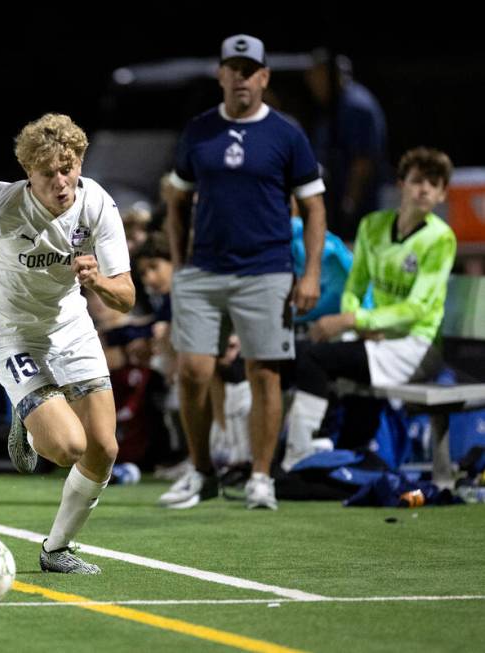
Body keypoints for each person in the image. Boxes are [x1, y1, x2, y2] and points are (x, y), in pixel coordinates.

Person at [0, 114, 134, 573]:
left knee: (105, 449)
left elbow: (127, 296)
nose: (61, 181)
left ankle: (56, 550)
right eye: (48, 172)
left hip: (70, 323)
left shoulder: (97, 205)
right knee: (68, 448)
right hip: (12, 331)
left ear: (80, 163)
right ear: (28, 173)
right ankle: (28, 418)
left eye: (68, 168)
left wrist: (98, 283)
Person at [161, 34, 326, 510]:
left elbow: (315, 207)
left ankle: (260, 477)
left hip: (267, 270)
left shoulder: (287, 134)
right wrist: (178, 262)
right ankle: (201, 471)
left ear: (264, 77)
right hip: (205, 270)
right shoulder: (198, 131)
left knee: (265, 374)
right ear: (221, 75)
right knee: (193, 372)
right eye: (232, 68)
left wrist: (309, 273)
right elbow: (177, 199)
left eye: (249, 69)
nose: (241, 77)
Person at [282, 148, 456, 470]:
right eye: (418, 181)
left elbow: (418, 308)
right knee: (302, 353)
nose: (425, 190)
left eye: (434, 184)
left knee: (314, 358)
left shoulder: (440, 239)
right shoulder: (372, 225)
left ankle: (302, 450)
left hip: (416, 346)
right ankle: (309, 450)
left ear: (442, 193)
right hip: (373, 336)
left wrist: (354, 319)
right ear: (401, 184)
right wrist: (357, 323)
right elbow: (356, 285)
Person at [304, 49, 387, 243]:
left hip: (359, 207)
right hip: (338, 202)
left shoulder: (355, 105)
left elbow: (363, 161)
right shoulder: (335, 104)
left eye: (316, 76)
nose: (311, 83)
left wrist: (349, 205)